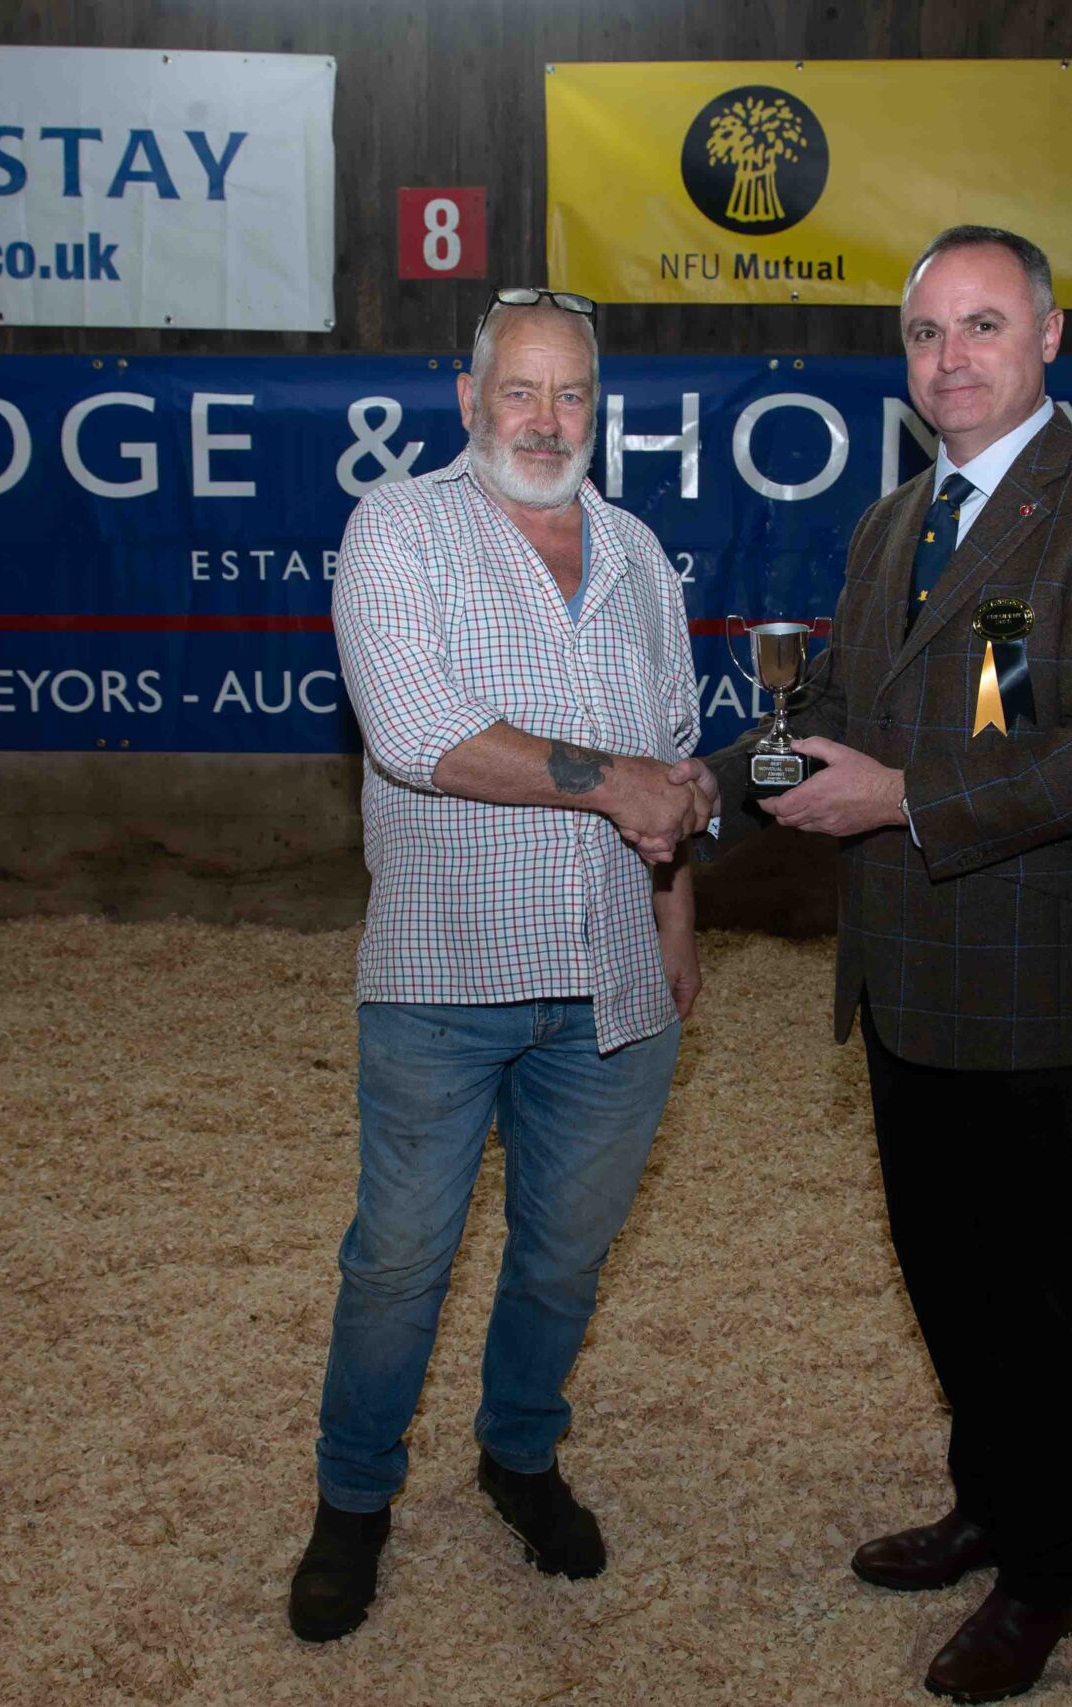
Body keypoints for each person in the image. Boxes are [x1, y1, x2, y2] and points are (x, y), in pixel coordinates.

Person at [676, 227, 1072, 1702]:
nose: (951, 357)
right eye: (926, 332)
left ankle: (1046, 1571)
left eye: (982, 325)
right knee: (946, 1272)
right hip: (907, 973)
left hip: (1037, 980)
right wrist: (703, 794)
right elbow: (837, 711)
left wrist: (903, 798)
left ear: (1049, 335)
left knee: (1036, 1294)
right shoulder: (895, 521)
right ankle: (991, 1500)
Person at [289, 288, 711, 1643]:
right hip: (442, 977)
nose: (544, 419)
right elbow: (418, 733)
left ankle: (519, 1455)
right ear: (469, 399)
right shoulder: (399, 528)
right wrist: (618, 784)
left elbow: (678, 755)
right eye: (518, 390)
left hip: (616, 988)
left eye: (570, 393)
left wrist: (679, 918)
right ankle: (353, 1499)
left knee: (564, 1259)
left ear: (598, 410)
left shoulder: (639, 555)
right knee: (399, 1261)